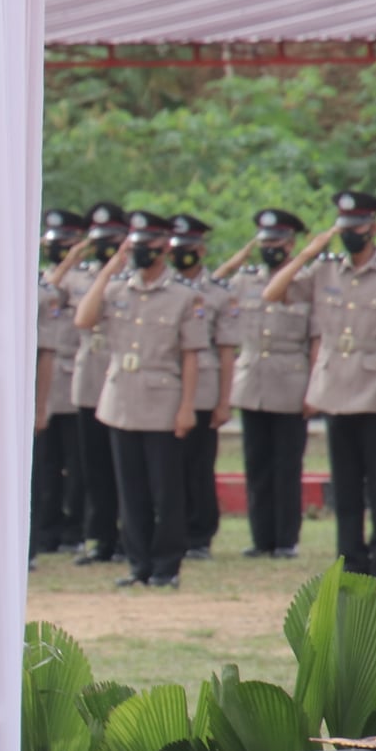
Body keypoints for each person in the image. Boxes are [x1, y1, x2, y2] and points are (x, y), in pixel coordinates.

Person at [266, 191, 376, 582]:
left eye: (356, 228)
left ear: (373, 228)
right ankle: (351, 565)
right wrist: (307, 254)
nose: (349, 236)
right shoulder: (325, 270)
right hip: (336, 390)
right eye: (343, 229)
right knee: (344, 487)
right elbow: (273, 293)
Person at [74, 211, 208, 590]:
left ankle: (167, 566)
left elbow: (191, 355)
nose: (138, 254)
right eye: (133, 247)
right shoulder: (117, 289)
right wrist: (108, 270)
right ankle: (139, 565)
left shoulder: (185, 296)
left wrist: (187, 407)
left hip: (163, 402)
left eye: (145, 246)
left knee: (165, 491)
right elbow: (84, 320)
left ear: (163, 247)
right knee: (130, 490)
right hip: (120, 399)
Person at [215, 208, 313, 559]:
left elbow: (316, 337)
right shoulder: (246, 280)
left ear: (290, 244)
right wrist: (239, 256)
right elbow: (212, 283)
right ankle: (261, 539)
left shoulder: (306, 281)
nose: (269, 247)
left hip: (291, 380)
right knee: (256, 463)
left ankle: (286, 540)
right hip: (252, 378)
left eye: (276, 241)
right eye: (263, 241)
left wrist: (314, 387)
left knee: (287, 464)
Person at [48, 201, 127, 566]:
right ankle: (101, 538)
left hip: (122, 378)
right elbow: (45, 291)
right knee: (91, 465)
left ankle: (129, 536)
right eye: (99, 238)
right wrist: (73, 256)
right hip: (86, 378)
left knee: (125, 467)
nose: (105, 244)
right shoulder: (78, 277)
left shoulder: (132, 276)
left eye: (112, 237)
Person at [167, 216, 234, 562]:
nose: (180, 256)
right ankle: (172, 531)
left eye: (188, 250)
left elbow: (226, 350)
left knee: (198, 465)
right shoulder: (163, 289)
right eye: (175, 249)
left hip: (204, 388)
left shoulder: (218, 294)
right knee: (169, 468)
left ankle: (200, 534)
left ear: (201, 251)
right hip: (163, 387)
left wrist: (224, 401)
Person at [30, 209, 88, 560]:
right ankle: (49, 531)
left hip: (72, 380)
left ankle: (73, 530)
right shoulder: (37, 277)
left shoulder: (81, 277)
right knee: (47, 465)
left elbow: (50, 293)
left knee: (75, 463)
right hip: (50, 383)